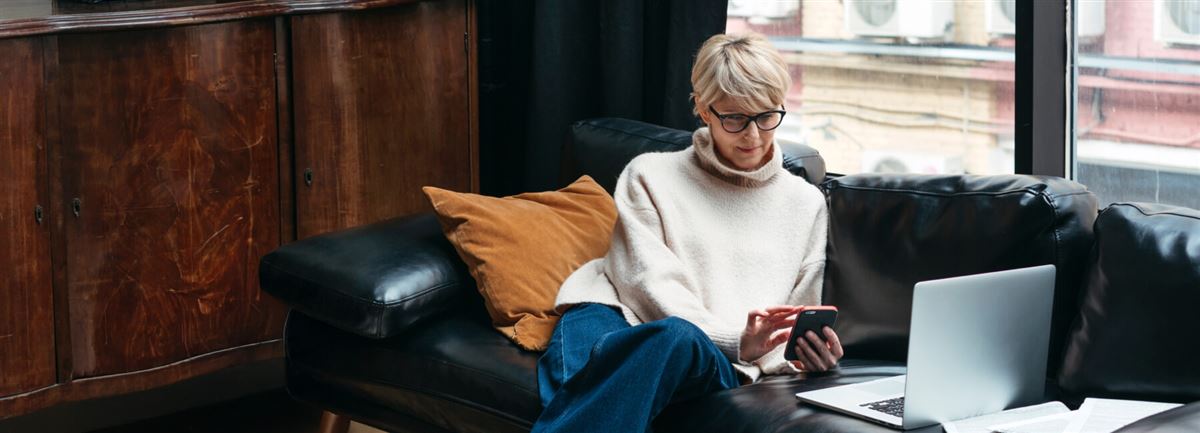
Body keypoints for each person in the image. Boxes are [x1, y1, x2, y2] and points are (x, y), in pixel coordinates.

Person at [533, 32, 843, 433]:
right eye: (734, 118)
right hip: (615, 312)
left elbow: (794, 318)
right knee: (597, 370)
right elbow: (647, 281)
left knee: (675, 341)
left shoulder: (806, 204)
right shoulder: (648, 174)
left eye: (767, 116)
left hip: (709, 354)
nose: (753, 136)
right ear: (702, 108)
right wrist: (733, 337)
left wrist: (804, 355)